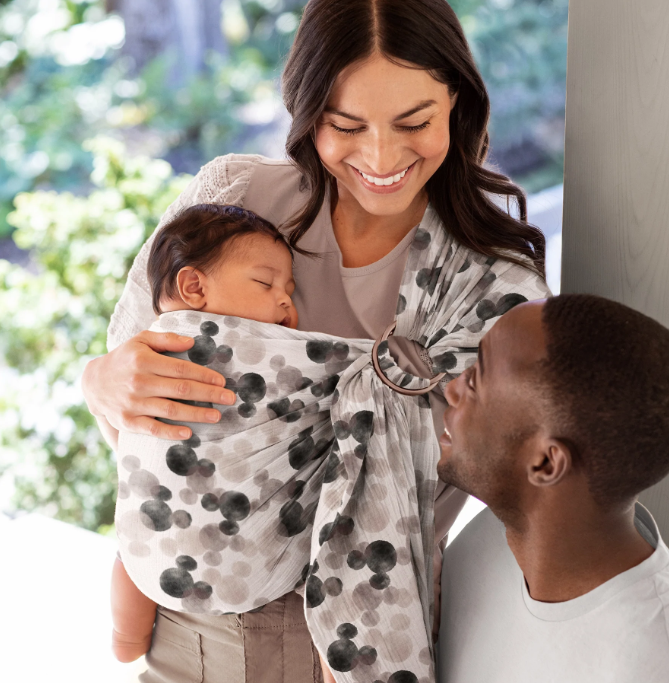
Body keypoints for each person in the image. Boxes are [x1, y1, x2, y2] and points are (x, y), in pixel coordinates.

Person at [81, 0, 550, 680]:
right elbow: (139, 401)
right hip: (189, 621)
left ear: (459, 100)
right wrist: (99, 378)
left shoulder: (493, 283)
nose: (383, 155)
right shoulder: (239, 196)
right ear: (306, 112)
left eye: (415, 121)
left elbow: (491, 476)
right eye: (346, 124)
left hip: (363, 636)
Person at [437, 294, 669, 683]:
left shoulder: (657, 664)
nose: (451, 389)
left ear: (546, 463)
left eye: (476, 381)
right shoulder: (484, 542)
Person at [109, 203, 298, 663]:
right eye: (265, 283)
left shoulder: (278, 348)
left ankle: (127, 638)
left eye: (290, 290)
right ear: (193, 286)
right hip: (163, 495)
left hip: (230, 515)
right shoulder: (158, 346)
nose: (285, 300)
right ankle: (125, 636)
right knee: (133, 547)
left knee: (131, 552)